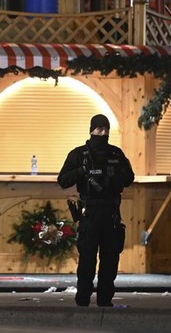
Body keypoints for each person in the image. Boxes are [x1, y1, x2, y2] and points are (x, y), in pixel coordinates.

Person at [57, 114, 134, 307]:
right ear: (91, 130)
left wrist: (114, 179)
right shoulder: (79, 154)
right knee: (87, 261)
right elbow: (63, 180)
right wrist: (81, 172)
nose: (103, 133)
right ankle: (83, 300)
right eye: (99, 130)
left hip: (111, 214)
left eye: (106, 130)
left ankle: (105, 300)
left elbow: (129, 177)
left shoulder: (115, 154)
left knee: (110, 261)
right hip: (89, 214)